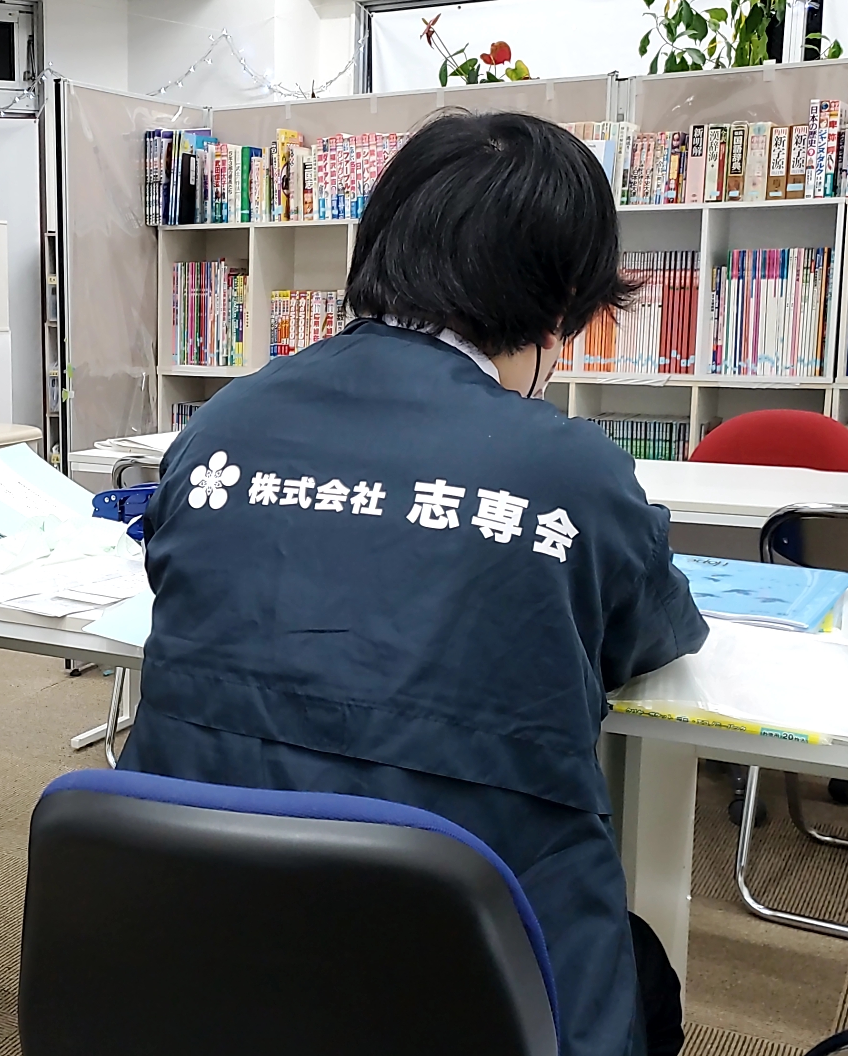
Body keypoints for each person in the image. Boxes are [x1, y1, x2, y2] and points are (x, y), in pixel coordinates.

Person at [117, 112, 709, 1056]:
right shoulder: (568, 472)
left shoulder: (220, 426)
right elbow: (652, 635)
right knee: (647, 982)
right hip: (459, 970)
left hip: (192, 942)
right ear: (561, 300)